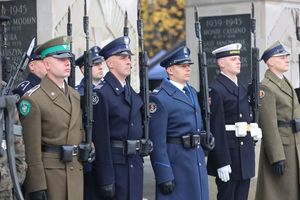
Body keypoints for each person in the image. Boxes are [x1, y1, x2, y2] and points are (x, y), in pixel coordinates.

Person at [18, 36, 86, 200]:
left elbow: (80, 130)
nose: (68, 63)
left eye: (68, 59)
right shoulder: (33, 99)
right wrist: (36, 186)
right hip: (51, 177)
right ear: (47, 64)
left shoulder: (75, 95)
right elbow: (31, 148)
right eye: (61, 59)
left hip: (75, 172)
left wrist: (89, 145)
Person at [149, 46, 209, 200]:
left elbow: (197, 124)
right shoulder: (160, 97)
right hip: (177, 163)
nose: (187, 69)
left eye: (188, 66)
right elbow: (157, 141)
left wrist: (206, 136)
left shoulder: (191, 92)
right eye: (183, 66)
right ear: (170, 70)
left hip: (195, 159)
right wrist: (164, 174)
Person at [92, 36, 145, 200]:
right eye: (123, 58)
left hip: (133, 163)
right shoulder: (101, 93)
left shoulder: (132, 93)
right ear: (110, 63)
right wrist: (106, 178)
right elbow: (100, 139)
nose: (128, 61)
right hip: (115, 168)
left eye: (129, 58)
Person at [207, 43, 261, 200]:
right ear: (221, 63)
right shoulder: (217, 89)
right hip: (229, 157)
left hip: (244, 155)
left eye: (238, 58)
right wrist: (221, 161)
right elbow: (216, 128)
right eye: (233, 59)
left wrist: (253, 128)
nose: (238, 61)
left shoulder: (242, 87)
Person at [255, 41, 300, 200]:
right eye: (282, 57)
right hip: (281, 148)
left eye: (287, 56)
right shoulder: (266, 86)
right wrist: (277, 157)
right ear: (270, 62)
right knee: (280, 192)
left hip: (293, 142)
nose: (287, 59)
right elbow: (269, 124)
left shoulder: (283, 81)